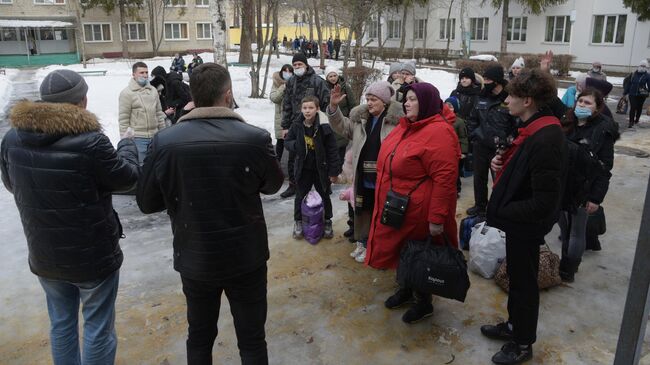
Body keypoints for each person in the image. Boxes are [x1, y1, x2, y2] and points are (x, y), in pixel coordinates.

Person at [136, 63, 284, 365]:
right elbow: (273, 185)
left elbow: (147, 201)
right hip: (246, 257)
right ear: (228, 95)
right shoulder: (253, 138)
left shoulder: (166, 141)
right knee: (252, 339)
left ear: (194, 95)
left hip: (196, 256)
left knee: (200, 337)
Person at [1, 69, 139, 365]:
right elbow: (128, 179)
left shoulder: (12, 138)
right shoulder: (91, 141)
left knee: (61, 324)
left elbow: (12, 185)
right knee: (98, 328)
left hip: (45, 254)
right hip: (92, 259)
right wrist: (127, 144)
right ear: (83, 100)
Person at [480, 69, 567, 365]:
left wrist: (502, 211)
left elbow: (544, 201)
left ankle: (522, 343)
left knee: (525, 284)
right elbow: (524, 175)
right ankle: (514, 326)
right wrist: (499, 165)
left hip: (526, 225)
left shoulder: (546, 138)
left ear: (527, 100)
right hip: (519, 223)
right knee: (518, 279)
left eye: (512, 96)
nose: (507, 101)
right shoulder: (533, 129)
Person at [365, 82, 460, 324]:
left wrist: (437, 218)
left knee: (420, 255)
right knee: (402, 252)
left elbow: (445, 180)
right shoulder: (406, 126)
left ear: (426, 102)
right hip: (399, 206)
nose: (406, 103)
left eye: (412, 99)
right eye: (405, 98)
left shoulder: (439, 132)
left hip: (420, 211)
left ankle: (423, 302)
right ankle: (406, 290)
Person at [327, 80, 404, 262]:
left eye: (374, 99)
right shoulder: (360, 119)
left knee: (382, 212)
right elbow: (342, 127)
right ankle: (363, 242)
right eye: (368, 98)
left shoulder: (395, 122)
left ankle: (379, 246)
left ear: (384, 101)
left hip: (385, 177)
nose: (369, 103)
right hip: (363, 176)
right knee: (364, 211)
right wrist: (333, 107)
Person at [558, 88, 617, 282]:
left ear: (598, 107)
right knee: (564, 228)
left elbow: (604, 167)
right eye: (580, 101)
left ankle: (568, 270)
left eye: (588, 103)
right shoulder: (568, 122)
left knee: (576, 230)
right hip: (563, 185)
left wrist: (595, 197)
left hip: (584, 188)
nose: (582, 105)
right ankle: (564, 261)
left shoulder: (603, 129)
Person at [284, 95, 340, 239]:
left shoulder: (324, 126)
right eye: (305, 108)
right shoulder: (297, 124)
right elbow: (287, 141)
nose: (307, 111)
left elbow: (332, 150)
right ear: (301, 109)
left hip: (321, 169)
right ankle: (298, 221)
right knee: (300, 195)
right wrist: (296, 146)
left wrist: (333, 171)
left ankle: (327, 220)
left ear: (317, 109)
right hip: (303, 169)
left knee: (324, 194)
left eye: (311, 108)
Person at [466, 65, 517, 216]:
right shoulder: (481, 96)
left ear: (497, 81)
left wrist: (508, 142)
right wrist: (475, 136)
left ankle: (498, 208)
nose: (485, 82)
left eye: (488, 79)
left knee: (500, 181)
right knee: (479, 178)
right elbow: (472, 119)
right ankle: (480, 206)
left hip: (501, 148)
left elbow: (516, 124)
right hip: (481, 145)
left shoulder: (509, 98)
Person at [280, 53, 331, 198]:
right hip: (296, 125)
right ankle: (293, 185)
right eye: (295, 65)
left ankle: (323, 184)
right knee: (294, 157)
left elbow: (325, 102)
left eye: (299, 65)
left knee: (318, 155)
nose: (297, 67)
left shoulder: (317, 81)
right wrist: (285, 126)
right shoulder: (291, 82)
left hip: (315, 126)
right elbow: (287, 104)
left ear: (306, 65)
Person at [119, 62, 166, 162]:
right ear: (134, 74)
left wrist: (163, 133)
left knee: (155, 166)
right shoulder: (126, 93)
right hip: (138, 138)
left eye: (146, 72)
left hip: (155, 136)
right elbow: (123, 119)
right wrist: (125, 141)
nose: (145, 75)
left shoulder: (153, 91)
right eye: (141, 73)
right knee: (141, 168)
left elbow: (159, 113)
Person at [445, 96, 469, 197]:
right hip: (444, 151)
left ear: (455, 108)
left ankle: (456, 190)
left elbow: (463, 137)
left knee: (455, 172)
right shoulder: (440, 119)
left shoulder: (459, 122)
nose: (447, 108)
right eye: (446, 106)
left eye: (450, 106)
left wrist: (463, 152)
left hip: (456, 151)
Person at [270, 64, 293, 162]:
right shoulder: (277, 83)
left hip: (292, 117)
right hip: (281, 117)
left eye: (289, 71)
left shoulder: (295, 82)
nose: (287, 74)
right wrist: (283, 87)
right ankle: (277, 166)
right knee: (280, 142)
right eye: (285, 71)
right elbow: (274, 98)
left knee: (293, 143)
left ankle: (292, 171)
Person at [623, 59, 650, 128]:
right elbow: (628, 84)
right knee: (633, 107)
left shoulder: (647, 75)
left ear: (646, 67)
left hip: (642, 95)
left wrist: (648, 91)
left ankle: (637, 119)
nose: (642, 67)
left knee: (639, 107)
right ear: (639, 66)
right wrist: (625, 93)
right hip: (632, 94)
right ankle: (631, 122)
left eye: (644, 66)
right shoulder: (633, 74)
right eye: (641, 65)